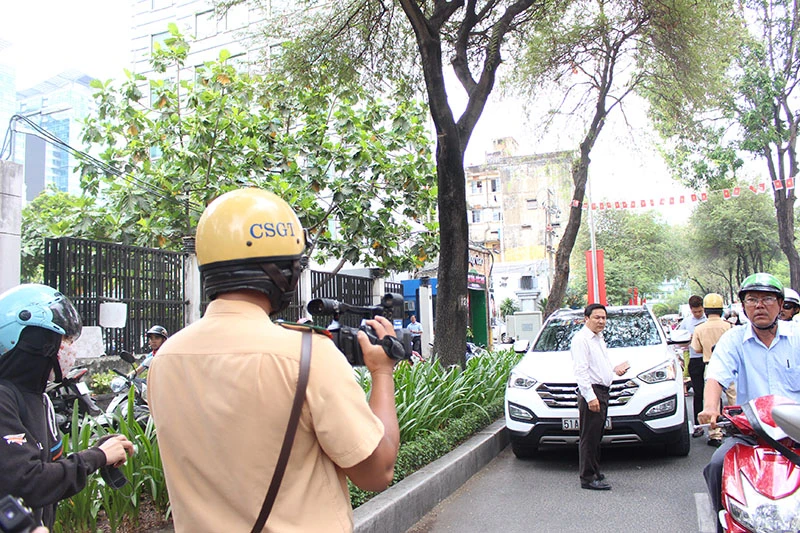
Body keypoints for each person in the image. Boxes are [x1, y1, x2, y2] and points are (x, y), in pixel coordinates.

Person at [147, 188, 400, 532]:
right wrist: (382, 372)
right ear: (281, 273)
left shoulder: (165, 359)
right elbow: (377, 472)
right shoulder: (307, 355)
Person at [0, 284, 134, 530]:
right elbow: (27, 483)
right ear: (37, 341)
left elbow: (49, 474)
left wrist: (99, 452)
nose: (71, 348)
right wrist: (97, 456)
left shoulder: (41, 400)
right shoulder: (3, 398)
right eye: (65, 339)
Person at [698, 273, 800, 528]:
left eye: (767, 299)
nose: (759, 305)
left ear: (780, 304)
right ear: (743, 306)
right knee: (717, 464)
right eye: (752, 299)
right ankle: (724, 523)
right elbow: (716, 377)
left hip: (797, 431)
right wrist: (710, 408)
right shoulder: (733, 339)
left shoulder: (797, 336)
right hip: (751, 433)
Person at [571, 303, 629, 491]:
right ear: (586, 318)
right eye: (597, 317)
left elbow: (599, 365)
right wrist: (590, 397)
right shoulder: (581, 340)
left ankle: (595, 471)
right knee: (589, 437)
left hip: (603, 390)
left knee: (597, 435)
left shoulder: (598, 338)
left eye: (604, 318)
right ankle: (587, 478)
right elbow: (581, 371)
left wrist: (614, 369)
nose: (601, 321)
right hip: (593, 392)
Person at [689, 293, 732, 447]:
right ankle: (739, 428)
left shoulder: (699, 328)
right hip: (731, 365)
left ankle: (715, 434)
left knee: (712, 401)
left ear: (705, 310)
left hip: (711, 365)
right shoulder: (729, 326)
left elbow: (696, 349)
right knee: (734, 399)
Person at [678, 295, 706, 435]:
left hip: (710, 358)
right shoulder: (686, 322)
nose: (698, 314)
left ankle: (718, 425)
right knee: (698, 393)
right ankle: (698, 425)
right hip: (695, 359)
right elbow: (679, 341)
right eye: (695, 312)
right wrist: (688, 339)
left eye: (700, 311)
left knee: (714, 393)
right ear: (690, 310)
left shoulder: (709, 320)